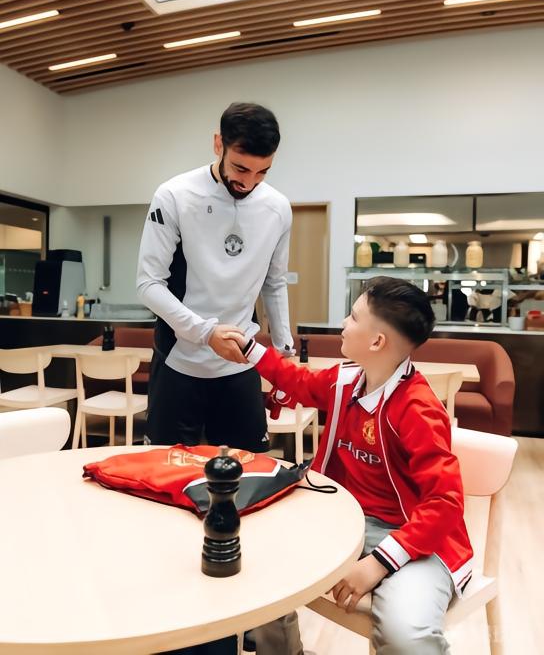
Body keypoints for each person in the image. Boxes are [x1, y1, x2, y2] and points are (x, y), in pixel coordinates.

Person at [225, 276, 474, 655]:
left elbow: (445, 502)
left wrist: (377, 564)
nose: (343, 322)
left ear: (377, 342)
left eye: (354, 316)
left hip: (417, 542)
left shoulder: (418, 408)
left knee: (405, 636)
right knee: (259, 568)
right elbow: (297, 381)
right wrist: (249, 347)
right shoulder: (345, 382)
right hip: (344, 522)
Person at [136, 102, 294, 454]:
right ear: (218, 144)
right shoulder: (174, 195)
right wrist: (206, 332)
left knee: (250, 472)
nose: (249, 182)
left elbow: (274, 282)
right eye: (240, 168)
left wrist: (284, 351)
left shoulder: (278, 207)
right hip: (179, 361)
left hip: (241, 363)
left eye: (263, 172)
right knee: (166, 473)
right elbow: (148, 284)